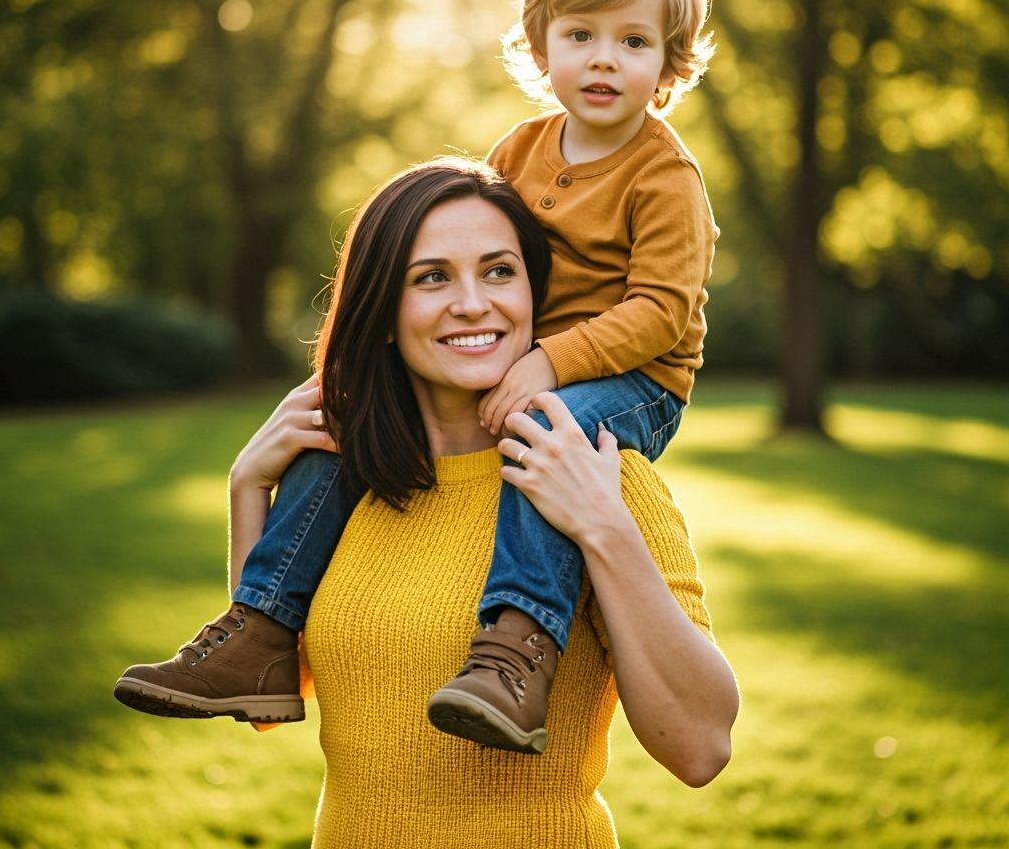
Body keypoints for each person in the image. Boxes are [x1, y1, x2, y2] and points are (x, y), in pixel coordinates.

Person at [114, 0, 719, 755]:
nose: (604, 59)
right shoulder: (523, 146)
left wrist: (546, 363)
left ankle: (517, 650)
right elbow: (477, 246)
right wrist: (249, 483)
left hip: (632, 383)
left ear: (669, 63)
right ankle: (259, 631)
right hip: (540, 371)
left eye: (633, 41)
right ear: (541, 49)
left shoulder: (666, 178)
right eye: (581, 34)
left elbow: (661, 313)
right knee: (353, 411)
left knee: (551, 429)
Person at [234, 161, 738, 848]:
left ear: (535, 294)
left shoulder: (595, 473)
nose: (473, 303)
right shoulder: (345, 489)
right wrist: (247, 491)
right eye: (432, 277)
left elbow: (701, 747)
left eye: (500, 271)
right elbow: (269, 698)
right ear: (381, 311)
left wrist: (602, 527)